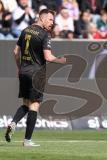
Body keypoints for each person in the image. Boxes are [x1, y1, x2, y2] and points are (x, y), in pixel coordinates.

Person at [5, 9, 67, 147]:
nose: (52, 22)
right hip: (36, 73)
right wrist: (62, 61)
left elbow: (16, 52)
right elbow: (48, 57)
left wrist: (19, 67)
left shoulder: (26, 30)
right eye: (50, 19)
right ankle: (27, 140)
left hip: (23, 72)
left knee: (26, 103)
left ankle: (13, 122)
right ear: (42, 18)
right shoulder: (44, 34)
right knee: (34, 105)